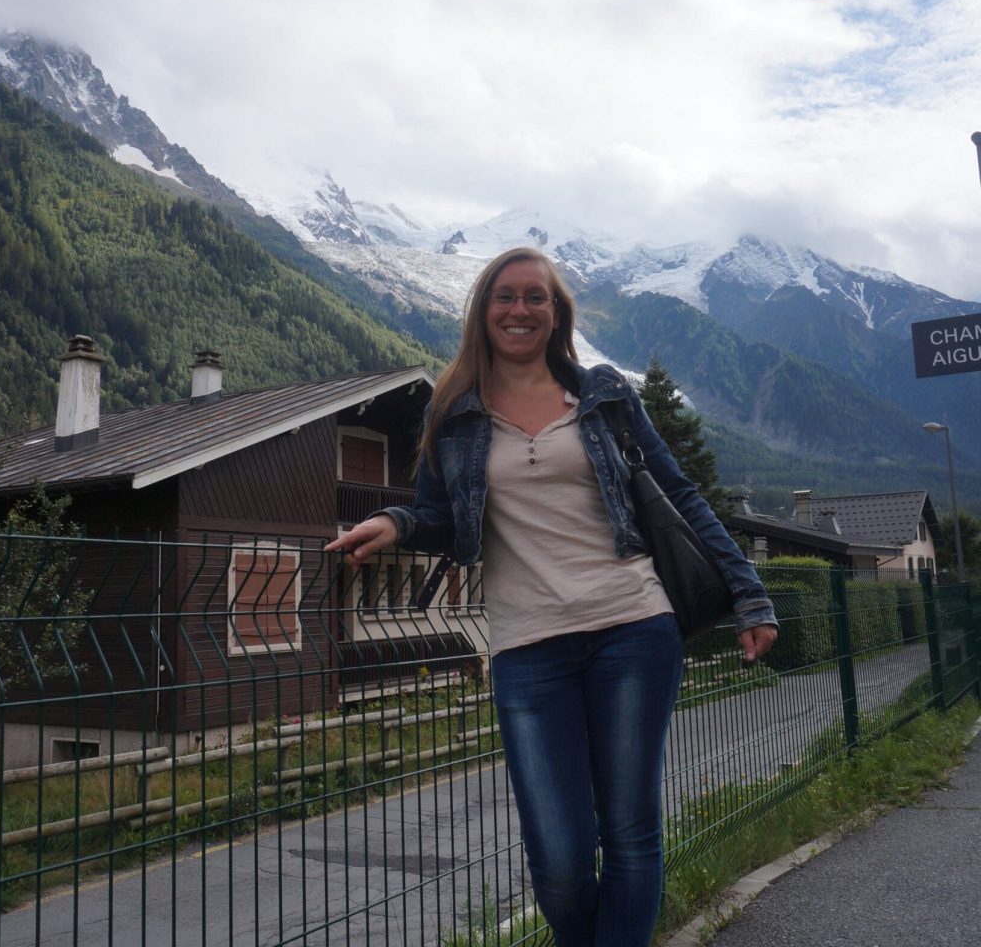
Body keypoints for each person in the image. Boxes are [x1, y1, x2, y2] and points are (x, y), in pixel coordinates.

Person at [326, 247, 778, 947]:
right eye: (505, 296)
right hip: (526, 645)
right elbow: (442, 518)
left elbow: (680, 494)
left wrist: (749, 595)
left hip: (633, 626)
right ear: (484, 311)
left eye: (535, 296)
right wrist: (397, 523)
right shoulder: (453, 415)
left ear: (556, 312)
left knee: (629, 832)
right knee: (560, 859)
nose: (520, 309)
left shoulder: (604, 395)